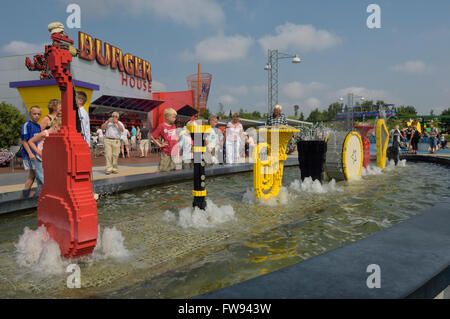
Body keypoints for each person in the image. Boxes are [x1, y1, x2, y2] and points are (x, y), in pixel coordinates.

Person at [28, 117, 61, 193]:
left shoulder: (56, 135)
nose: (60, 132)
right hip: (40, 160)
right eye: (60, 130)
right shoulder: (44, 133)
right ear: (55, 127)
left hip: (49, 161)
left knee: (46, 180)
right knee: (42, 180)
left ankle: (43, 197)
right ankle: (42, 198)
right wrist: (38, 152)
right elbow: (30, 141)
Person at [21, 105, 42, 198]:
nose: (36, 116)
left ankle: (26, 194)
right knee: (34, 175)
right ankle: (26, 195)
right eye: (34, 114)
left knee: (34, 175)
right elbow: (24, 141)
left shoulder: (38, 126)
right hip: (29, 155)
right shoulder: (27, 125)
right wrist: (30, 153)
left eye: (38, 114)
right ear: (30, 114)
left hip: (36, 155)